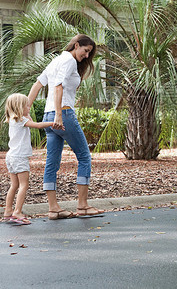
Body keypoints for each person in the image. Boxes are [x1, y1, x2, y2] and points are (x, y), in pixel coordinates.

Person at [28, 34, 105, 219]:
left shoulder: (55, 61)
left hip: (47, 116)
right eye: (86, 51)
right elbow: (59, 86)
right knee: (85, 157)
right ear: (76, 45)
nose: (86, 56)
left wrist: (25, 110)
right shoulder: (69, 60)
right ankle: (82, 205)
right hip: (63, 115)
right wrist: (60, 116)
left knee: (52, 163)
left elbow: (37, 85)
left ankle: (53, 208)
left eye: (89, 54)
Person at [3, 93, 54, 225]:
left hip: (11, 156)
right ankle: (17, 211)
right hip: (20, 157)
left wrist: (27, 114)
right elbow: (37, 125)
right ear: (20, 107)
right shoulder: (22, 120)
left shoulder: (13, 120)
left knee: (14, 185)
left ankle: (8, 211)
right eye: (26, 105)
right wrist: (54, 123)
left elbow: (30, 119)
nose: (29, 107)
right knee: (24, 185)